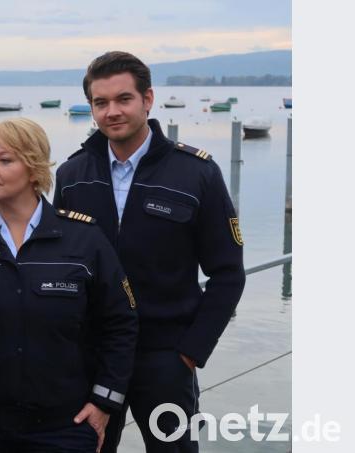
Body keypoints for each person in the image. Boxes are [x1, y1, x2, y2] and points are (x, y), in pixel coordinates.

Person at [53, 51, 246, 453]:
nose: (112, 112)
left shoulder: (196, 173)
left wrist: (191, 352)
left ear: (148, 99)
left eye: (123, 99)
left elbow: (228, 272)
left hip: (165, 358)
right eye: (100, 103)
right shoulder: (71, 176)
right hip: (92, 356)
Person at [0, 117, 138, 453]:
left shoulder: (84, 241)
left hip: (64, 427)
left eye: (5, 160)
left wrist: (105, 402)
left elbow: (121, 323)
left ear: (34, 168)